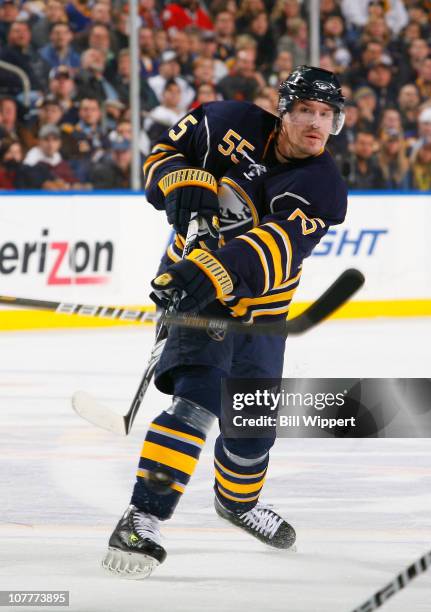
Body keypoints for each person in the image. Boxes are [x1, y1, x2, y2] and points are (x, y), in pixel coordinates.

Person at [102, 65, 348, 578]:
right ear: (283, 111)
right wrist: (180, 183)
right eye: (306, 111)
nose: (316, 125)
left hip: (259, 310)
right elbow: (164, 155)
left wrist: (210, 268)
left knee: (253, 428)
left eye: (326, 116)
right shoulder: (223, 122)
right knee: (197, 400)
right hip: (195, 293)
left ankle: (236, 504)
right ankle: (141, 516)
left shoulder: (323, 186)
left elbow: (278, 248)